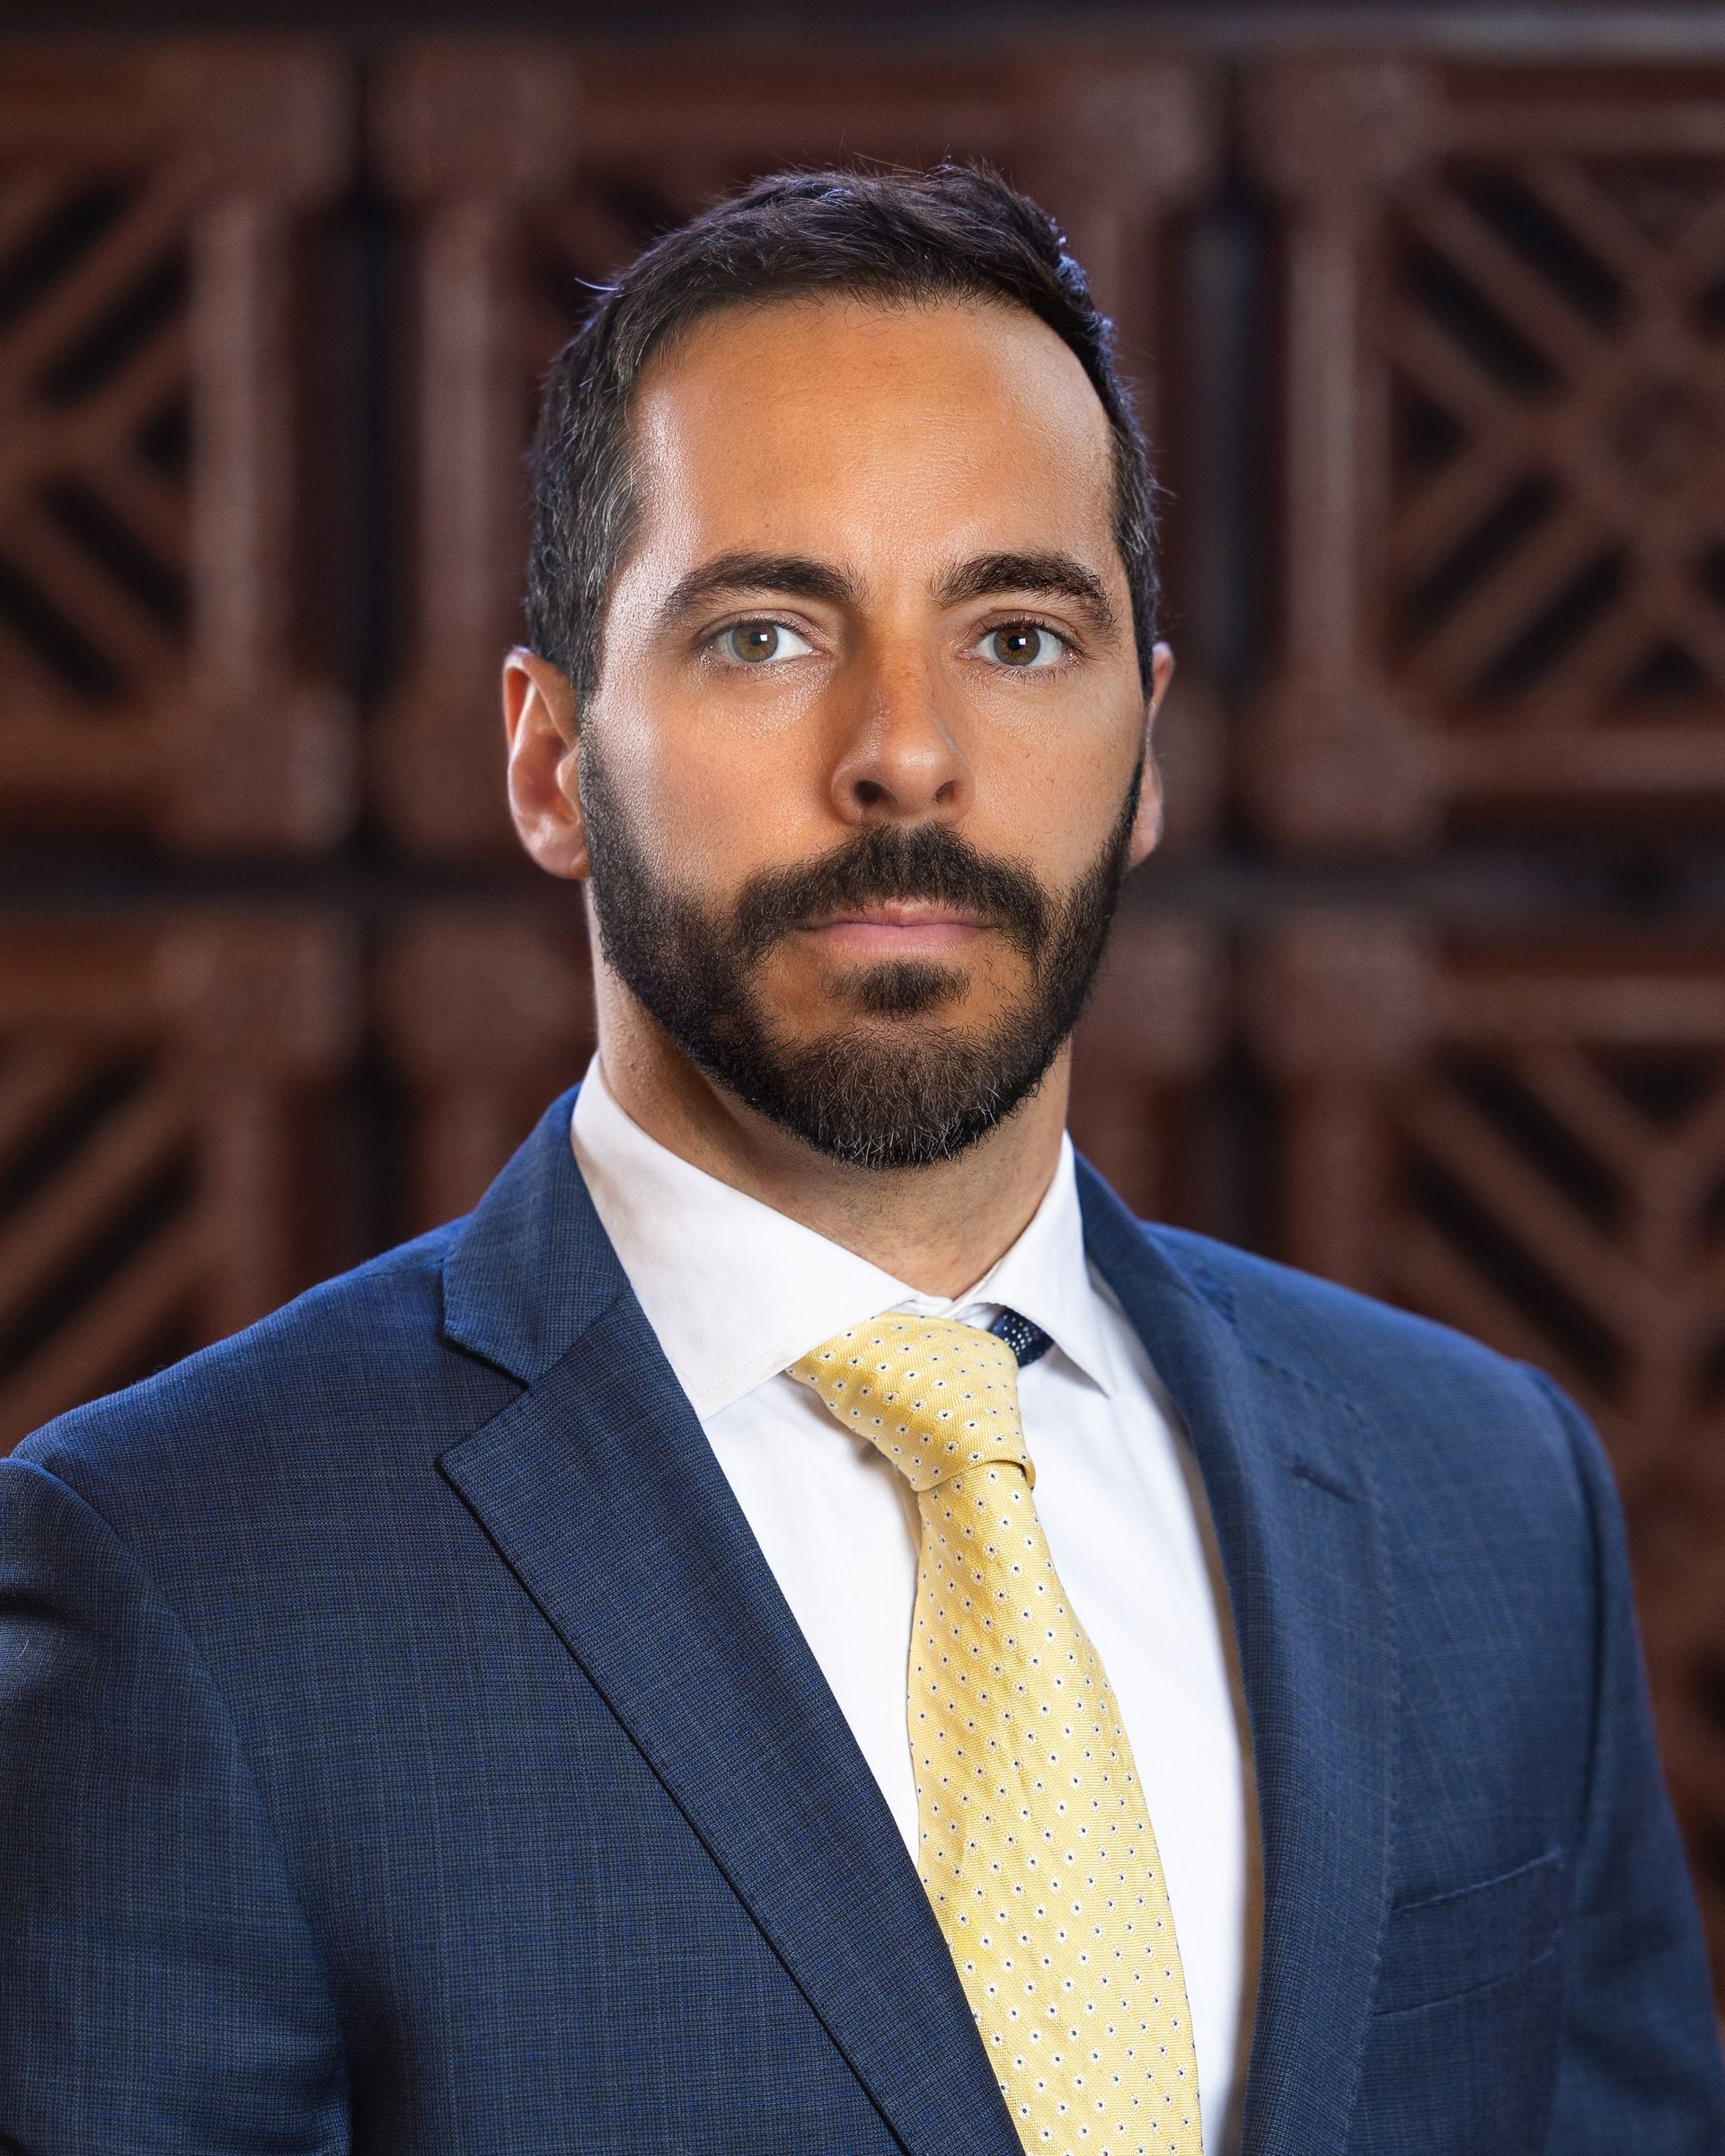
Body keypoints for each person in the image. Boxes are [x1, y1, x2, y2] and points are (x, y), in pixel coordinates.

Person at [1, 163, 1720, 2156]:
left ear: (1145, 756)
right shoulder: (180, 1575)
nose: (907, 750)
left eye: (1017, 635)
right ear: (552, 760)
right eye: (761, 633)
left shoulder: (1489, 1497)